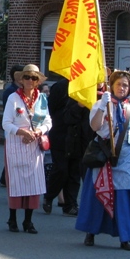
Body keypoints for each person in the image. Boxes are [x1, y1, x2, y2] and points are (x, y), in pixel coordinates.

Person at [76, 70, 130, 251]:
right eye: (119, 84)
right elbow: (95, 126)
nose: (122, 88)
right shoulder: (101, 104)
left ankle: (126, 237)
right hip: (104, 158)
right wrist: (101, 106)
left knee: (123, 199)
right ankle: (90, 232)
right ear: (111, 85)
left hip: (125, 161)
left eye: (125, 85)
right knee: (98, 195)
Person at [2, 64, 52, 234]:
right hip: (16, 144)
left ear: (38, 81)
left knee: (33, 184)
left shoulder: (42, 99)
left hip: (34, 145)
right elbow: (6, 123)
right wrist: (21, 132)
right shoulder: (13, 98)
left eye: (34, 78)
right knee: (16, 183)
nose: (30, 81)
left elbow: (48, 122)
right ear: (21, 80)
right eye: (27, 77)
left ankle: (28, 221)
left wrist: (38, 131)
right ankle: (12, 219)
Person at [43, 79, 94, 217]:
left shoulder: (88, 87)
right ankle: (49, 196)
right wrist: (77, 106)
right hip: (61, 136)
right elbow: (53, 111)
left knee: (74, 172)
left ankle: (70, 205)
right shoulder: (60, 87)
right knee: (61, 170)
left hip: (80, 138)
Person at [0, 64, 25, 187]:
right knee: (13, 154)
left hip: (20, 127)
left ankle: (5, 178)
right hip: (12, 126)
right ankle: (7, 178)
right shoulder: (10, 92)